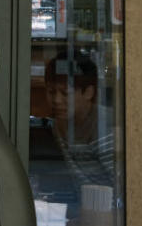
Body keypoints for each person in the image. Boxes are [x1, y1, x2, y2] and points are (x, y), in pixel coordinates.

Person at [44, 51, 114, 188]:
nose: (57, 100)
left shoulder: (105, 126)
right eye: (51, 92)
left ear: (89, 92)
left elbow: (124, 188)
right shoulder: (58, 124)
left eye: (66, 93)